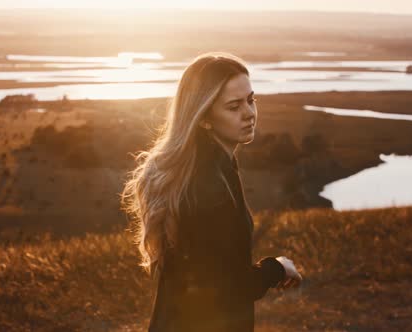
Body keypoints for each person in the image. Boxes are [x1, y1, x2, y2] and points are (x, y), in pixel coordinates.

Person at [120, 52, 303, 332]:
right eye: (233, 107)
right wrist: (277, 268)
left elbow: (213, 273)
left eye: (251, 100)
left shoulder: (208, 167)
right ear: (204, 117)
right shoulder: (207, 184)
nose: (249, 113)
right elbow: (229, 288)